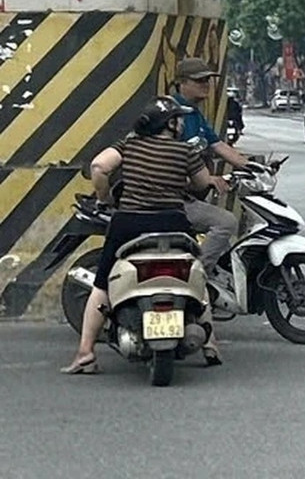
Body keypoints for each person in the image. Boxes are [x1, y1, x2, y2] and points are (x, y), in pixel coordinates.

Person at [61, 97, 229, 374]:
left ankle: (85, 353)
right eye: (178, 119)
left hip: (129, 223)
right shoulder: (185, 151)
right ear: (170, 124)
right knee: (195, 276)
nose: (182, 123)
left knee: (102, 284)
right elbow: (202, 182)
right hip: (173, 222)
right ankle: (210, 345)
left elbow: (99, 167)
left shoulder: (129, 145)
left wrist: (104, 198)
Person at [171, 57, 248, 278]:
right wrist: (208, 179)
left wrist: (251, 166)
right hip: (173, 195)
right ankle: (197, 277)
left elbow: (217, 144)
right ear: (182, 83)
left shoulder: (194, 113)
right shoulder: (173, 115)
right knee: (225, 223)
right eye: (199, 80)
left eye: (207, 80)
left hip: (191, 191)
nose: (205, 85)